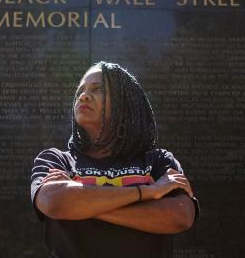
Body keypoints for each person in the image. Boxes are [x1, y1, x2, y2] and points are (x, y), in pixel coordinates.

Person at [30, 62, 199, 258]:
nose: (83, 96)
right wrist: (148, 192)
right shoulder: (56, 159)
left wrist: (79, 205)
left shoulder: (158, 161)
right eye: (80, 91)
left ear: (125, 102)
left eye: (98, 89)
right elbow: (53, 203)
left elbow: (180, 216)